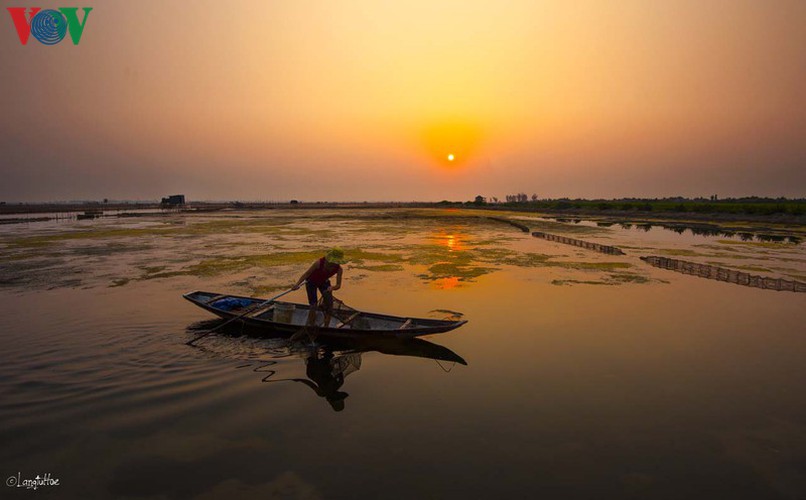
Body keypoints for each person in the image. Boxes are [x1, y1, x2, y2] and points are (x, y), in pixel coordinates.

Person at [291, 248, 347, 334]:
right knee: (313, 305)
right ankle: (311, 327)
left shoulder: (339, 269)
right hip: (311, 282)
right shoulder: (319, 263)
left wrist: (332, 288)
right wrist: (297, 284)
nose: (334, 263)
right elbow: (306, 274)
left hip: (324, 282)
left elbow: (338, 285)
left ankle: (326, 328)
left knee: (329, 306)